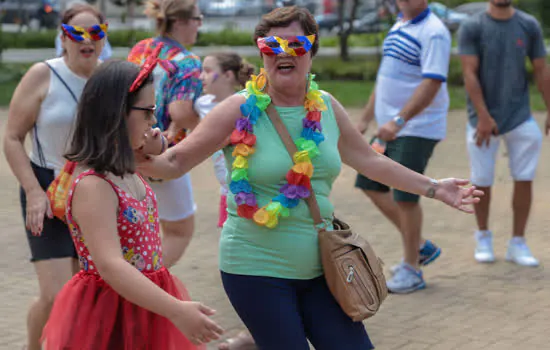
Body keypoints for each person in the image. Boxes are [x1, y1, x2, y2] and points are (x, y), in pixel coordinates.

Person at [137, 6, 482, 349]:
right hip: (256, 268)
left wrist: (435, 188)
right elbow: (176, 162)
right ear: (261, 51)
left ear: (312, 50)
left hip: (322, 269)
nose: (284, 53)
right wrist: (123, 156)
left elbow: (370, 161)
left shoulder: (327, 107)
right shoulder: (238, 108)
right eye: (273, 46)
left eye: (296, 45)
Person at [40, 59, 223, 349]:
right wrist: (176, 309)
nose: (154, 123)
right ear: (116, 113)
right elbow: (111, 265)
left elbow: (162, 151)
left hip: (146, 301)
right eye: (148, 113)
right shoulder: (94, 184)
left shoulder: (127, 166)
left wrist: (155, 144)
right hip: (111, 311)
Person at [2, 4, 106, 350]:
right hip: (46, 189)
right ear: (63, 37)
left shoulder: (113, 78)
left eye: (96, 32)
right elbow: (13, 137)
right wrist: (33, 190)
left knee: (87, 293)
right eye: (78, 33)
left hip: (94, 192)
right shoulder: (43, 74)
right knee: (55, 295)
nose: (87, 40)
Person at [354, 0, 452, 294]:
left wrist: (399, 120)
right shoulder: (399, 25)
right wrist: (364, 119)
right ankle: (419, 245)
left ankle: (412, 269)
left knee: (406, 197)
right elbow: (384, 79)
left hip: (415, 128)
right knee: (369, 182)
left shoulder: (434, 31)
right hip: (390, 127)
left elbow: (432, 83)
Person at [458, 0, 550, 266]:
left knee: (525, 178)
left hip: (520, 116)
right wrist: (483, 116)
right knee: (481, 180)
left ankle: (517, 243)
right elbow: (469, 73)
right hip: (482, 119)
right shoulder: (473, 25)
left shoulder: (528, 24)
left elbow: (541, 70)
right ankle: (483, 236)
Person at [128, 0, 203, 268]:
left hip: (128, 149)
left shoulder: (141, 48)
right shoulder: (188, 61)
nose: (200, 24)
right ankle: (147, 280)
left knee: (139, 224)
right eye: (197, 18)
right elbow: (180, 112)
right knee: (180, 229)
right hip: (163, 152)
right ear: (180, 22)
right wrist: (208, 120)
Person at [194, 52, 255, 228]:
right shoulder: (202, 104)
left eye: (207, 71)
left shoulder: (248, 105)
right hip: (226, 190)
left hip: (253, 188)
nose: (201, 77)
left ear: (228, 75)